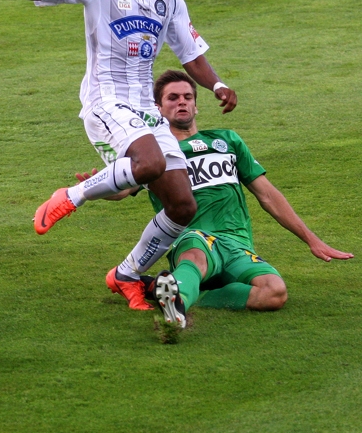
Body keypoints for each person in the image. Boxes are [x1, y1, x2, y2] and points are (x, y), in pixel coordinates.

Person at [0, 0, 237, 311]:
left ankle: (125, 275)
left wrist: (218, 85)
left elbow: (191, 53)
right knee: (149, 163)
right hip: (107, 100)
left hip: (145, 109)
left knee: (182, 205)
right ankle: (70, 195)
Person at [145, 70, 354, 327]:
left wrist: (312, 240)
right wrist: (99, 183)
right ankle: (178, 309)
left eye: (188, 97)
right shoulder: (154, 155)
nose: (182, 102)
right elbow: (121, 188)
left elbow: (267, 195)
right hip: (193, 241)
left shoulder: (227, 140)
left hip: (236, 244)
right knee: (196, 252)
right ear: (158, 108)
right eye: (173, 98)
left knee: (274, 292)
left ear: (196, 106)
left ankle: (179, 292)